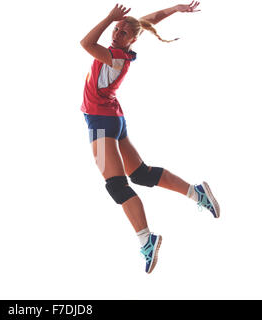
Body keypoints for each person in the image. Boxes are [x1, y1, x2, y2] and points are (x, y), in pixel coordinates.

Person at [80, 1, 219, 274]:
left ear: (132, 40)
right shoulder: (125, 47)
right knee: (141, 174)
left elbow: (85, 42)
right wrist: (176, 9)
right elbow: (148, 20)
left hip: (101, 121)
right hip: (114, 119)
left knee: (116, 185)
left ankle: (147, 240)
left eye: (121, 31)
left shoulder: (115, 56)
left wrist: (109, 17)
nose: (116, 33)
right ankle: (196, 193)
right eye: (116, 29)